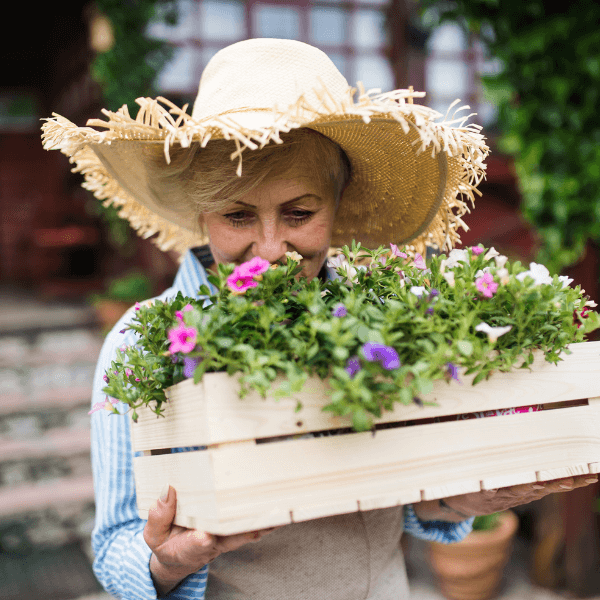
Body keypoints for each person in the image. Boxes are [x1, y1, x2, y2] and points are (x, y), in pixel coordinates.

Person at [42, 38, 596, 600]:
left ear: (337, 203)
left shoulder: (386, 315)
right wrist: (174, 560)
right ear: (200, 211)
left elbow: (402, 497)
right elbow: (114, 549)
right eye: (238, 215)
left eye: (299, 213)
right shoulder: (142, 342)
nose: (270, 247)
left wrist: (464, 499)